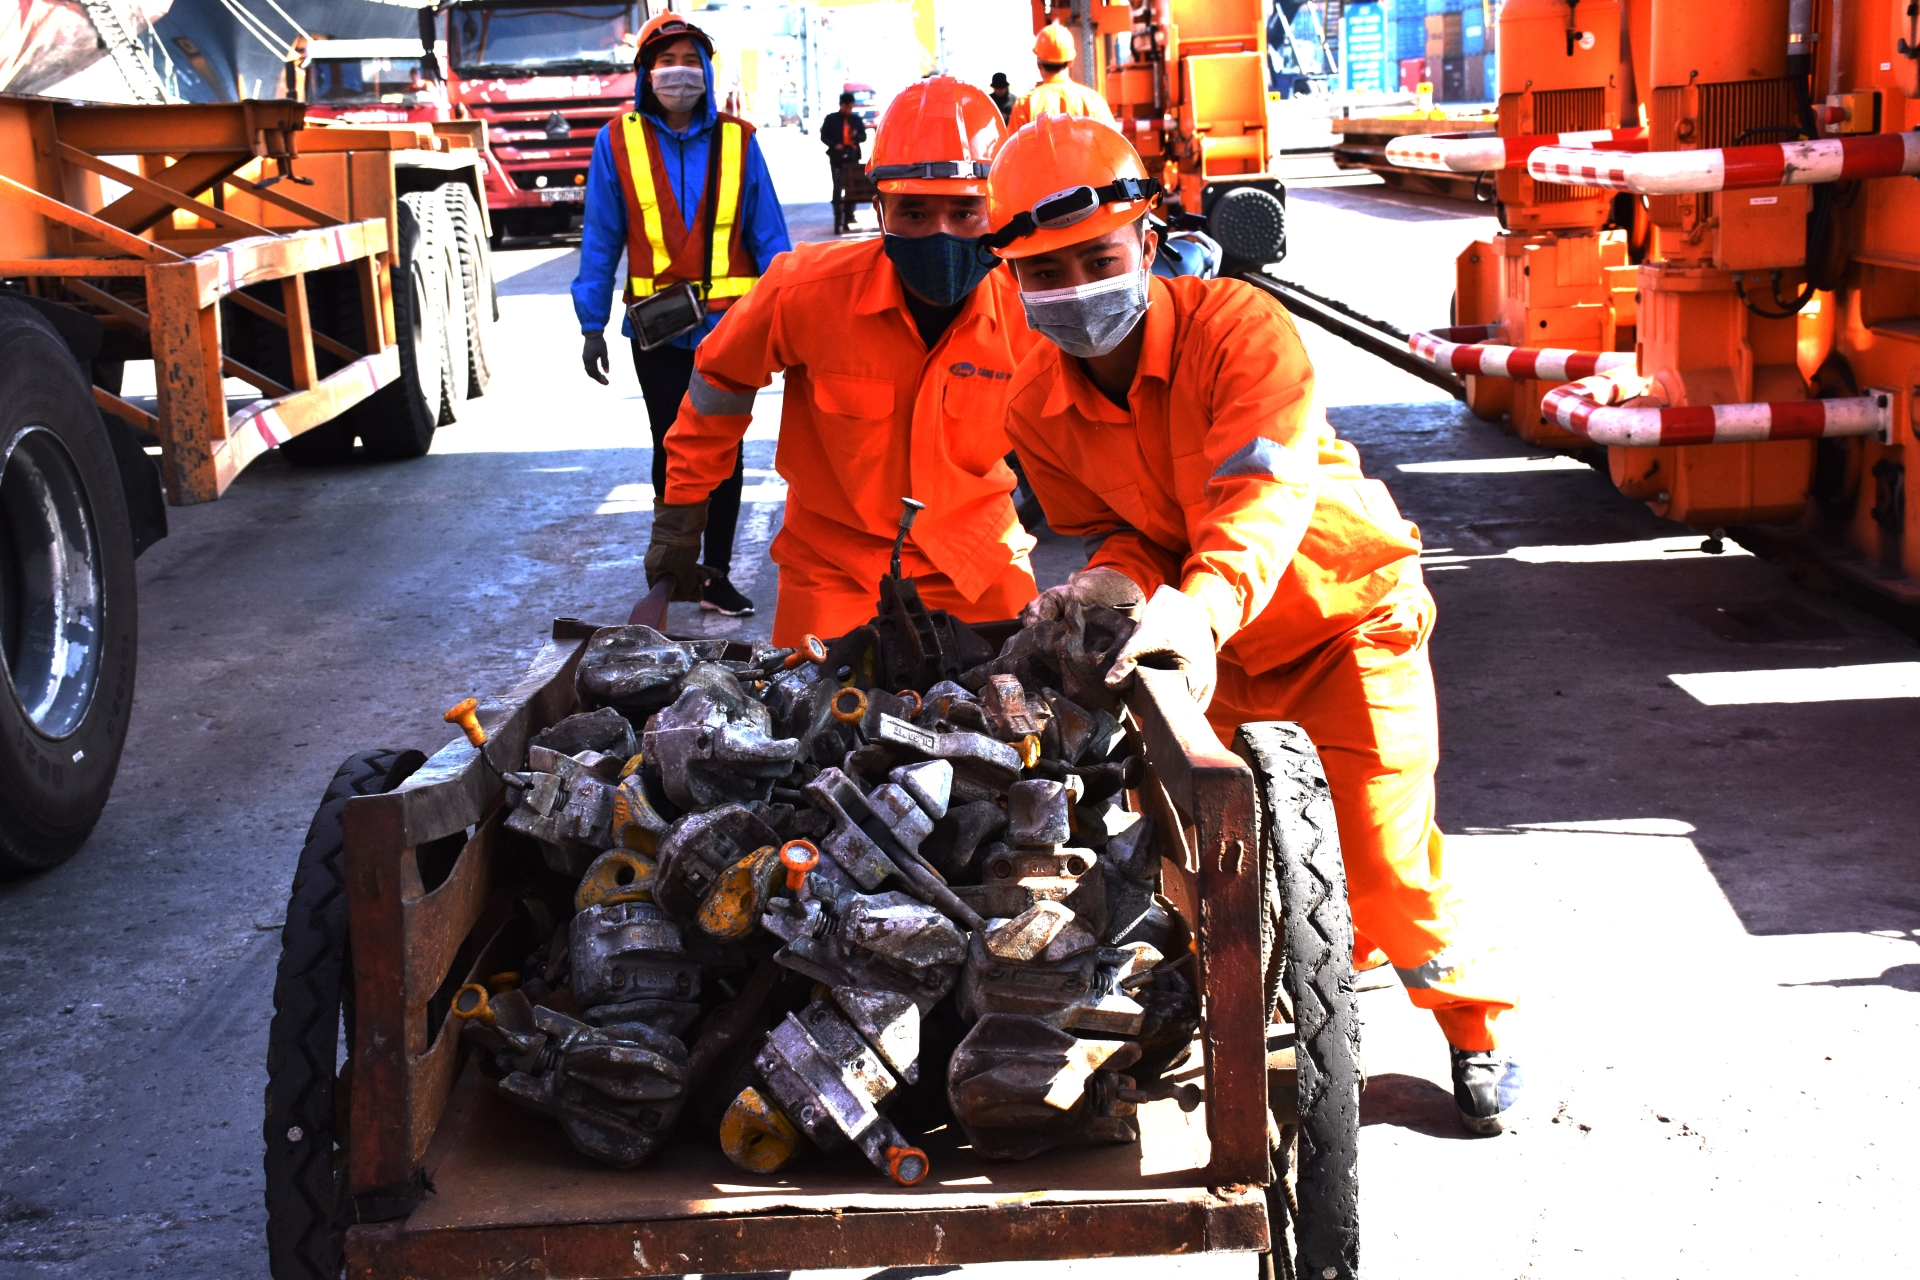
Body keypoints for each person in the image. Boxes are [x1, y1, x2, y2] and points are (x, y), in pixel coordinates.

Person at [985, 115, 1523, 1136]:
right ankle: (1279, 1011)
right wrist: (1103, 590)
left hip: (1341, 621)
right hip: (1213, 650)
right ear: (1013, 281)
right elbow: (1120, 530)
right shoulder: (1036, 406)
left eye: (1096, 259)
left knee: (1382, 864)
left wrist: (1193, 613)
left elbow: (1257, 500)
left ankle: (1474, 1026)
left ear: (1144, 241)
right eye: (1043, 272)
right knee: (1218, 871)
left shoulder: (1239, 329)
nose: (1074, 289)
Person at [645, 76, 1042, 645]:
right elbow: (719, 383)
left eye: (964, 212)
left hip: (979, 562)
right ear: (879, 206)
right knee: (806, 719)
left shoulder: (1029, 313)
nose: (940, 233)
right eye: (913, 212)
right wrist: (682, 514)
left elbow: (1080, 432)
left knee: (1021, 711)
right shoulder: (804, 291)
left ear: (998, 211)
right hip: (834, 571)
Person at [572, 12, 791, 618]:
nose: (678, 74)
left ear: (707, 72)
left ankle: (715, 574)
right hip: (658, 333)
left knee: (724, 451)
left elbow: (772, 240)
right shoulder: (617, 141)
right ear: (645, 74)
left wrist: (792, 316)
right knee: (669, 448)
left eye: (689, 61)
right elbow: (600, 239)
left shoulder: (739, 141)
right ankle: (676, 568)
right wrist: (591, 323)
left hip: (730, 331)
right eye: (665, 62)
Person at [1007, 22, 1114, 129]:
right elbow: (1114, 143)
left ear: (1039, 64)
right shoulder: (1093, 101)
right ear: (1070, 62)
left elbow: (1013, 145)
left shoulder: (1025, 105)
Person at [821, 90, 869, 235]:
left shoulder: (856, 120)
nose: (848, 110)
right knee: (837, 185)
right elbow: (824, 136)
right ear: (841, 105)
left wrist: (855, 137)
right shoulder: (831, 119)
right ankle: (838, 216)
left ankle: (850, 216)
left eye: (850, 107)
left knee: (852, 187)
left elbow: (863, 136)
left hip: (852, 157)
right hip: (837, 157)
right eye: (846, 107)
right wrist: (835, 145)